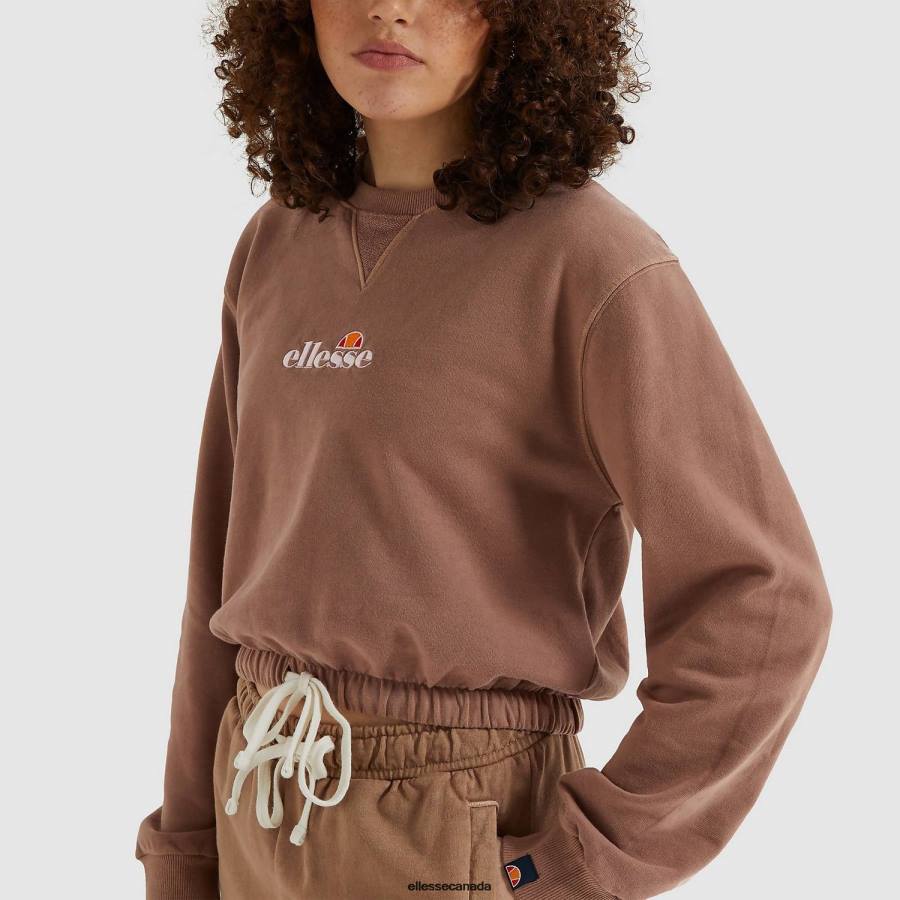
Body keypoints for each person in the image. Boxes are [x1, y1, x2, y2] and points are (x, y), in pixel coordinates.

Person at [134, 2, 833, 898]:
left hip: (461, 825)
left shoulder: (592, 261)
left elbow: (764, 596)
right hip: (258, 793)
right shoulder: (274, 244)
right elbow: (215, 583)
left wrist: (581, 859)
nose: (391, 7)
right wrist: (185, 853)